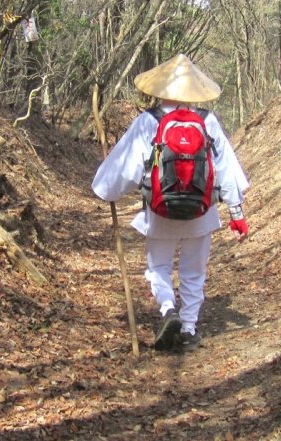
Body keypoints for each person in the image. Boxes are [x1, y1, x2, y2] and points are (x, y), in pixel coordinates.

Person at [92, 54, 250, 352]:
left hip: (160, 210)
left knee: (158, 267)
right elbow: (226, 167)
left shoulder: (148, 121)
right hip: (201, 212)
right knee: (194, 270)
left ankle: (168, 309)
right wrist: (236, 210)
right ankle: (189, 328)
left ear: (161, 88)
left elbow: (125, 167)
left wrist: (106, 188)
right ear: (194, 92)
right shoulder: (207, 121)